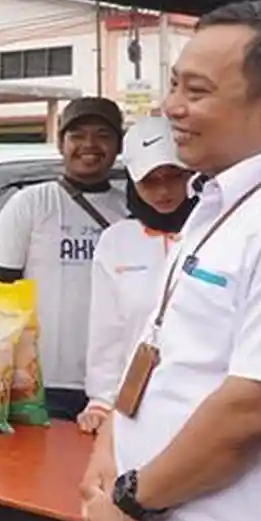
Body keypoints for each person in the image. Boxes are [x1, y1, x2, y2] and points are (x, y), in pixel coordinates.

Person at [82, 0, 261, 521]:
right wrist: (111, 440)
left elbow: (255, 406)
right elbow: (163, 345)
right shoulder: (218, 199)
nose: (172, 107)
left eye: (196, 91)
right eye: (174, 84)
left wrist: (132, 502)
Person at [0, 96, 128, 521]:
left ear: (117, 144)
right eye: (77, 135)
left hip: (110, 385)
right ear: (60, 140)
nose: (88, 146)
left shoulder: (131, 207)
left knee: (109, 489)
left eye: (101, 136)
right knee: (28, 498)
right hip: (38, 379)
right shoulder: (29, 204)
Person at [82, 118, 194, 431]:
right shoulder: (117, 241)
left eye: (174, 176)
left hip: (204, 406)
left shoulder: (216, 228)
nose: (164, 190)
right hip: (137, 410)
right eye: (150, 181)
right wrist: (101, 400)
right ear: (132, 182)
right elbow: (107, 330)